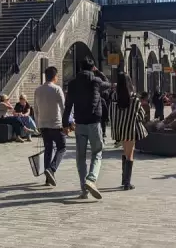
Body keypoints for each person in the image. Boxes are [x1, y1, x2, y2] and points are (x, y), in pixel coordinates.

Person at [63, 57, 110, 199]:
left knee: (81, 156)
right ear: (92, 68)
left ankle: (84, 187)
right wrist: (99, 72)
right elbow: (107, 84)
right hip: (94, 122)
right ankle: (91, 179)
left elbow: (68, 105)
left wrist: (65, 123)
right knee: (97, 152)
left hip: (80, 123)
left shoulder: (73, 84)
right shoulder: (95, 81)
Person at [109, 73, 148, 190]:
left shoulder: (114, 97)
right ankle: (127, 182)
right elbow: (141, 115)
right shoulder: (134, 98)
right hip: (130, 129)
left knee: (125, 153)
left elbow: (111, 113)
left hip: (119, 129)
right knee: (129, 154)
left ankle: (124, 179)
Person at [34, 66, 67, 187]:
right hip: (56, 124)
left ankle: (48, 178)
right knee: (62, 147)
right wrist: (66, 124)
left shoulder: (38, 90)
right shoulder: (57, 89)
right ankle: (52, 169)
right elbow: (63, 107)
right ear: (55, 77)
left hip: (43, 124)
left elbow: (35, 108)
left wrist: (37, 123)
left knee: (48, 149)